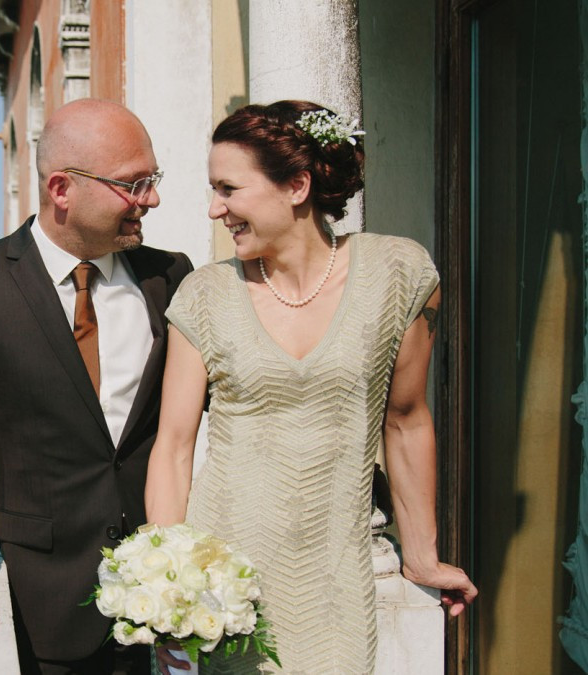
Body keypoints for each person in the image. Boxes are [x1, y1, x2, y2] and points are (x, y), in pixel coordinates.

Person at [145, 100, 478, 674]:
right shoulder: (203, 295)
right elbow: (173, 447)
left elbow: (406, 419)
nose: (214, 208)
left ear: (296, 185)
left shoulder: (398, 273)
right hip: (222, 582)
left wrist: (422, 555)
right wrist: (168, 585)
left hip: (333, 578)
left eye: (229, 189)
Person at [0, 98, 193, 674]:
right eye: (134, 184)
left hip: (168, 600)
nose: (151, 200)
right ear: (62, 188)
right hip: (44, 604)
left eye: (152, 181)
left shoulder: (170, 277)